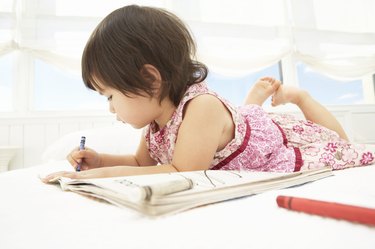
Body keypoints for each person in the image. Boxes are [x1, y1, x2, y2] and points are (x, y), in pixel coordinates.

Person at [42, 5, 374, 182]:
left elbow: (182, 172)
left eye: (110, 95)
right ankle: (251, 106)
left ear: (150, 79)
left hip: (273, 142)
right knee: (249, 116)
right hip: (238, 132)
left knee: (341, 145)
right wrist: (101, 160)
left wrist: (99, 176)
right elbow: (140, 163)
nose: (111, 109)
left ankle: (299, 97)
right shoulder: (156, 123)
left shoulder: (200, 107)